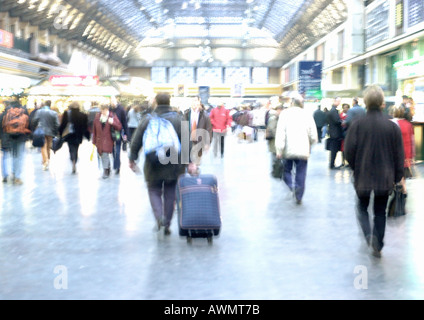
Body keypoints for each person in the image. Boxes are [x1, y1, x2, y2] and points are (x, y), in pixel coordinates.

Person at [344, 85, 406, 258]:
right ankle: (378, 242)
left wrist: (356, 166)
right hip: (384, 177)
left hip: (362, 175)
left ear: (365, 102)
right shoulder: (392, 127)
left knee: (362, 207)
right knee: (380, 210)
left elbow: (348, 151)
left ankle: (368, 234)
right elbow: (398, 154)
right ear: (382, 103)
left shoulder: (357, 125)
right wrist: (397, 176)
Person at [129, 92, 186, 236]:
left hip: (153, 161)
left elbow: (136, 140)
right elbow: (186, 142)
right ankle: (166, 223)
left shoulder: (147, 119)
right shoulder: (179, 119)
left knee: (154, 190)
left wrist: (132, 158)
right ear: (169, 102)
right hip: (173, 162)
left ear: (155, 101)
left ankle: (159, 216)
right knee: (170, 192)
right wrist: (189, 162)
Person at [275, 94, 318, 205]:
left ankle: (292, 186)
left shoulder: (285, 114)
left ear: (292, 103)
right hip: (303, 150)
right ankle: (299, 196)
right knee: (301, 173)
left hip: (287, 151)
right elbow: (313, 136)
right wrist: (310, 144)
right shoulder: (307, 114)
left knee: (286, 171)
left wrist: (279, 150)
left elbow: (280, 133)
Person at [0, 101, 30, 185]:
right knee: (19, 156)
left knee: (13, 155)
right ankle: (17, 176)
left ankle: (13, 173)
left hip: (10, 137)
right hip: (21, 137)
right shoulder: (24, 112)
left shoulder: (6, 113)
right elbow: (29, 124)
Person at [58, 102, 90, 174]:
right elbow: (85, 127)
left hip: (69, 135)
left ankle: (73, 160)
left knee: (71, 148)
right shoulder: (83, 115)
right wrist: (87, 135)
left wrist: (60, 133)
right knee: (76, 148)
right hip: (78, 135)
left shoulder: (67, 114)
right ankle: (74, 160)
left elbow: (63, 124)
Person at [92, 104, 122, 179]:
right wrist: (94, 140)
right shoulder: (97, 117)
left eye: (104, 110)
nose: (102, 112)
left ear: (107, 109)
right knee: (102, 154)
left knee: (104, 154)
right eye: (101, 110)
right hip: (99, 140)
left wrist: (113, 123)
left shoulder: (112, 116)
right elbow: (94, 129)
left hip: (109, 140)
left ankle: (106, 170)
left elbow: (119, 126)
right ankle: (107, 168)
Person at [183, 96, 212, 168]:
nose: (194, 102)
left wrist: (207, 143)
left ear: (199, 103)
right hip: (188, 141)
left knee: (197, 162)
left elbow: (209, 129)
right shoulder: (186, 114)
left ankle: (195, 175)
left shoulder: (205, 115)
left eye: (196, 100)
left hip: (199, 141)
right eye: (193, 100)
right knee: (188, 162)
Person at [31, 100, 59, 171]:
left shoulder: (39, 112)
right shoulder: (54, 113)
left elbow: (34, 121)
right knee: (48, 147)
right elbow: (57, 124)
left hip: (41, 131)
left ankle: (45, 161)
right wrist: (55, 132)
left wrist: (35, 128)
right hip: (50, 132)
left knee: (43, 146)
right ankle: (47, 160)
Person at [391, 105, 415, 179]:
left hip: (397, 151)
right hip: (406, 152)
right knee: (403, 172)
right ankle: (403, 187)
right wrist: (412, 155)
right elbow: (412, 140)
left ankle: (400, 186)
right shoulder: (409, 124)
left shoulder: (393, 123)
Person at [109, 96, 128, 175]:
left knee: (117, 148)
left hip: (118, 132)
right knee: (112, 150)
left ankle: (117, 166)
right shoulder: (109, 109)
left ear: (116, 101)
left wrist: (126, 134)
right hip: (110, 132)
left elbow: (124, 122)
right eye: (111, 101)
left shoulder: (121, 110)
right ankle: (117, 163)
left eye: (114, 101)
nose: (112, 103)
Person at [266, 104, 284, 178]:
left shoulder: (281, 118)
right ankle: (275, 172)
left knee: (278, 158)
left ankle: (278, 171)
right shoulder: (273, 118)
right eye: (279, 110)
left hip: (278, 142)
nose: (281, 111)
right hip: (274, 141)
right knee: (275, 158)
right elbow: (272, 129)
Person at [326, 97, 343, 169]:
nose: (339, 103)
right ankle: (332, 164)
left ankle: (332, 164)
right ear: (335, 101)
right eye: (338, 101)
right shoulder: (334, 111)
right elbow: (337, 121)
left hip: (333, 132)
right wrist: (342, 122)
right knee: (334, 149)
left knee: (334, 149)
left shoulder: (332, 110)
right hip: (335, 133)